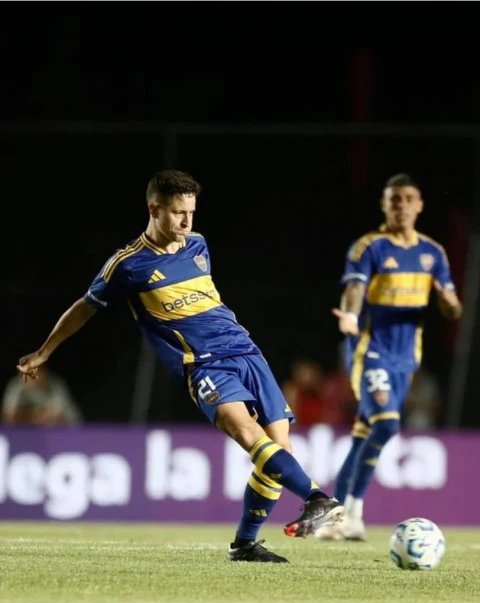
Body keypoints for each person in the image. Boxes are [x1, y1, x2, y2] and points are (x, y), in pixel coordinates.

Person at [16, 169, 343, 562]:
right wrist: (45, 351)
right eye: (178, 213)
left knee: (278, 450)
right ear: (154, 210)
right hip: (204, 365)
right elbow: (85, 307)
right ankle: (317, 498)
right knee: (246, 432)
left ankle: (244, 544)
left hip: (247, 352)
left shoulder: (198, 245)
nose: (187, 222)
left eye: (191, 212)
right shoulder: (128, 265)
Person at [318, 173, 463, 541]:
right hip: (370, 350)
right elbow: (354, 288)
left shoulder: (433, 253)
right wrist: (350, 316)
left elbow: (453, 307)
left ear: (420, 205)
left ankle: (335, 515)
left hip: (406, 359)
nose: (401, 206)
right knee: (386, 424)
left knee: (365, 433)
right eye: (394, 199)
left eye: (408, 199)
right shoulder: (369, 247)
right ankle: (352, 513)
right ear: (384, 205)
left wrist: (448, 302)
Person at [2, 366, 83, 427]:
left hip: (64, 430)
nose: (34, 377)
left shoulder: (55, 385)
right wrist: (33, 416)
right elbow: (9, 416)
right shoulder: (17, 386)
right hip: (25, 432)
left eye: (37, 372)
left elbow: (59, 417)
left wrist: (30, 416)